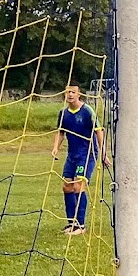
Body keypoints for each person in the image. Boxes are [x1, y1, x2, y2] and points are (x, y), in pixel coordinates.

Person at [51, 83, 110, 235]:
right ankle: (71, 223)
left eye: (73, 92)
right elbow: (61, 133)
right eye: (67, 92)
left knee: (78, 186)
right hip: (72, 155)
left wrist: (103, 153)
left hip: (87, 154)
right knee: (66, 186)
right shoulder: (63, 113)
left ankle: (81, 226)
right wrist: (56, 147)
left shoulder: (87, 111)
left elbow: (99, 132)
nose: (70, 94)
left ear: (79, 94)